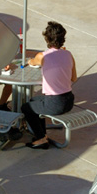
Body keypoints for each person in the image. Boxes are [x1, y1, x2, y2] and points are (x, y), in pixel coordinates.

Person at [21, 21, 77, 149]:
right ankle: (42, 134)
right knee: (34, 100)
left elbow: (32, 62)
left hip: (55, 103)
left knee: (26, 108)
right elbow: (73, 78)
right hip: (68, 100)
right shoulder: (68, 54)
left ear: (46, 38)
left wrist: (31, 61)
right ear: (63, 38)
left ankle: (41, 139)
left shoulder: (42, 55)